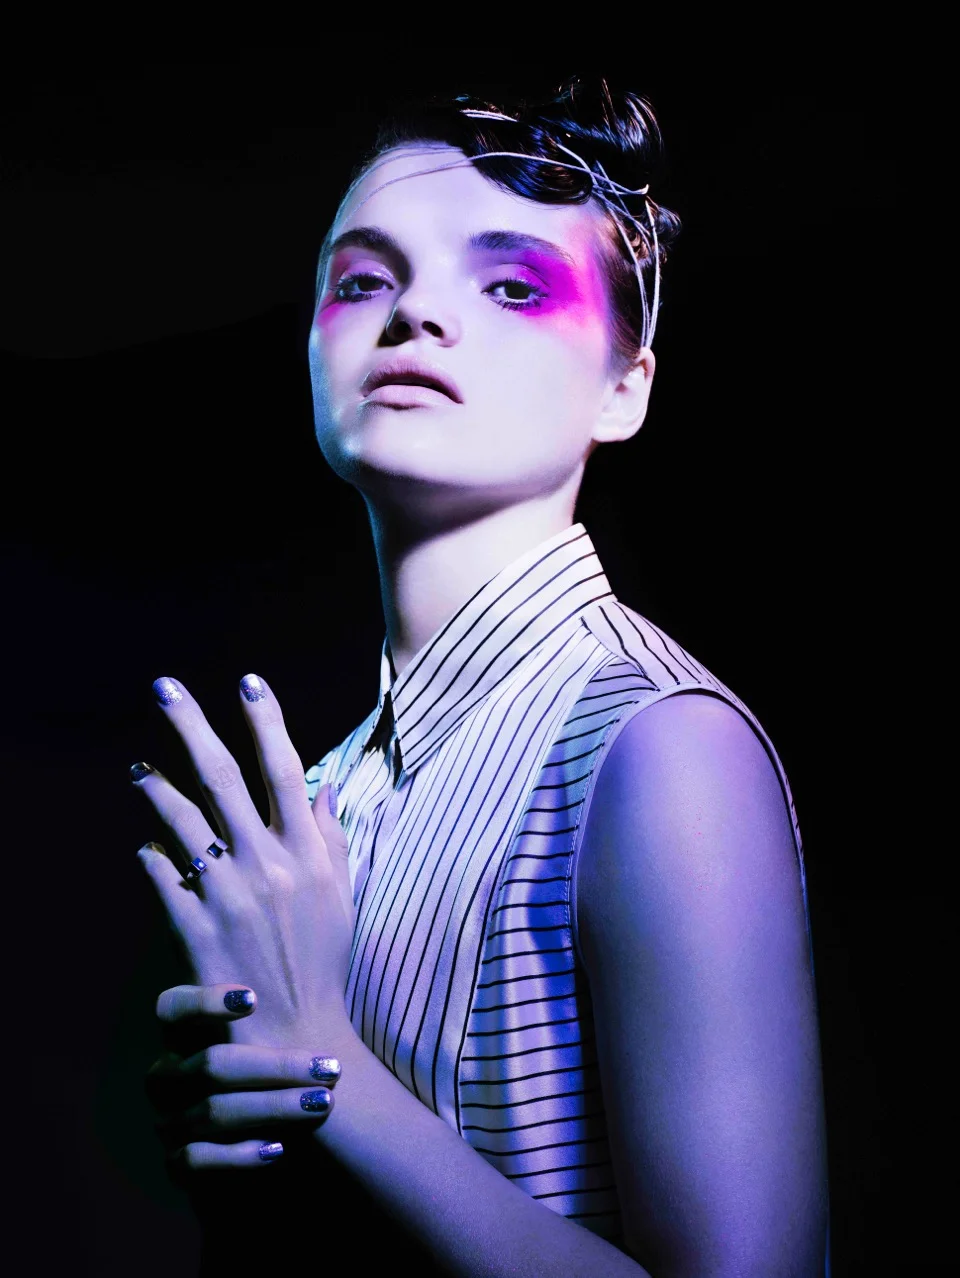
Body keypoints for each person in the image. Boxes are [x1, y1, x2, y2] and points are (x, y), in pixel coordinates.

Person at [135, 79, 829, 1276]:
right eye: (365, 280)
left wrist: (324, 1072)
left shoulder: (656, 744)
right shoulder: (323, 802)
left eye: (512, 287)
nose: (415, 314)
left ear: (625, 386)